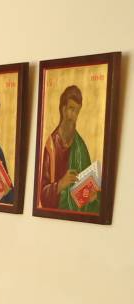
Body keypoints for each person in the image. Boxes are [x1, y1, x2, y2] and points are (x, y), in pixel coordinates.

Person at [38, 85, 99, 213]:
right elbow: (42, 196)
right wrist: (61, 184)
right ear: (63, 109)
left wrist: (93, 197)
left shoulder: (80, 146)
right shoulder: (51, 146)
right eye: (71, 109)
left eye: (77, 111)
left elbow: (90, 188)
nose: (73, 116)